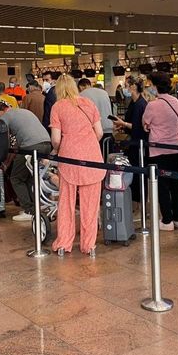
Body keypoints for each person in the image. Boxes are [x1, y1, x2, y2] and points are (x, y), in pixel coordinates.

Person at [49, 74, 105, 257]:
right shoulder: (88, 103)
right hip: (92, 159)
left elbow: (56, 139)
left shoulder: (57, 107)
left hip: (69, 160)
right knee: (90, 205)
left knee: (66, 203)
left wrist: (60, 147)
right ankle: (89, 245)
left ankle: (64, 243)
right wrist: (86, 143)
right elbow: (100, 132)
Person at [0, 102, 52, 221]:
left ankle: (29, 210)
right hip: (46, 144)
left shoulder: (5, 117)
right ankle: (34, 208)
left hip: (31, 147)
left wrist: (3, 160)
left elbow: (6, 141)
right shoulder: (24, 111)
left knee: (16, 178)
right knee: (29, 177)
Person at [142, 72, 178, 231]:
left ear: (155, 85)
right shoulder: (176, 101)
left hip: (159, 150)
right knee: (176, 185)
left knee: (162, 186)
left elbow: (145, 124)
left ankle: (167, 220)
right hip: (177, 148)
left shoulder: (152, 105)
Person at [112, 73, 148, 207]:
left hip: (138, 143)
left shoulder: (140, 104)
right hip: (133, 143)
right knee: (134, 172)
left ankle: (140, 203)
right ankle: (135, 202)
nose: (125, 88)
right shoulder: (134, 103)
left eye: (126, 85)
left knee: (138, 174)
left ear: (133, 86)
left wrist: (124, 124)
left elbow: (139, 126)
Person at [78, 78, 114, 148]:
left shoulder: (81, 95)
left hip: (93, 131)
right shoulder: (104, 93)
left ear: (81, 87)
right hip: (108, 129)